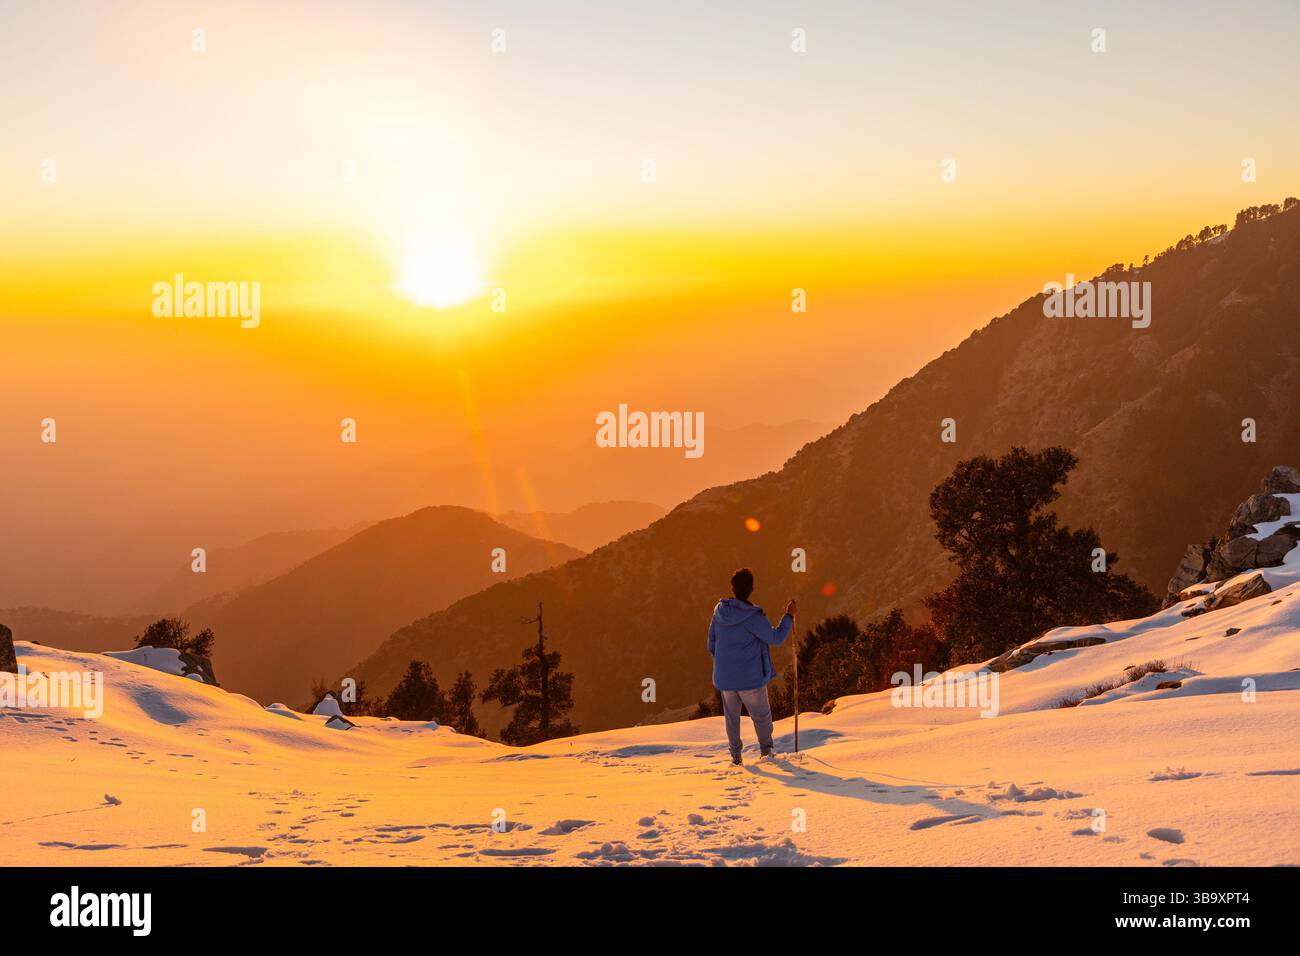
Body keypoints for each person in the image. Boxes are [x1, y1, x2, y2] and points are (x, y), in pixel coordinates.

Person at [706, 567, 796, 765]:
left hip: (725, 678)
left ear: (732, 587)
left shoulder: (719, 612)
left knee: (732, 718)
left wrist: (725, 663)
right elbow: (776, 638)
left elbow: (711, 643)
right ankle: (766, 753)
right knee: (761, 716)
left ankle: (736, 757)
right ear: (751, 588)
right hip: (750, 678)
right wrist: (788, 616)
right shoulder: (753, 617)